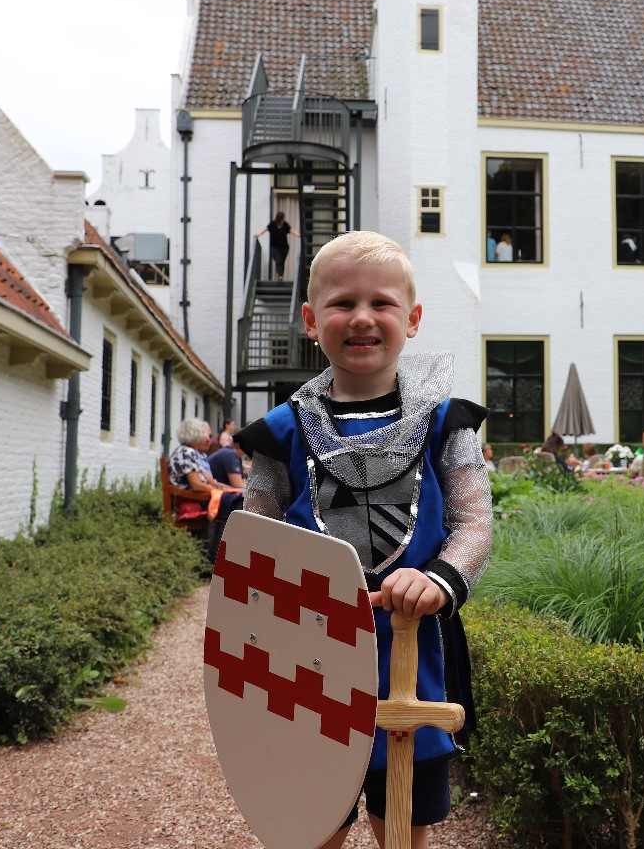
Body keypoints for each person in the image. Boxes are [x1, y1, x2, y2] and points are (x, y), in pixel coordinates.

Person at [234, 231, 492, 849]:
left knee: (403, 825)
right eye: (343, 302)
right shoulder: (280, 431)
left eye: (381, 303)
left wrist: (438, 580)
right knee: (312, 820)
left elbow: (474, 523)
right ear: (309, 319)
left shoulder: (446, 421)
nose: (361, 317)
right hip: (307, 652)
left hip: (413, 648)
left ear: (413, 318)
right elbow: (251, 545)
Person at [168, 417, 241, 522]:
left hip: (198, 498)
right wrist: (219, 492)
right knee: (238, 502)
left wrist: (226, 490)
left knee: (237, 498)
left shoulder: (185, 451)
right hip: (196, 500)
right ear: (196, 435)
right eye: (204, 434)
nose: (206, 438)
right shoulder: (187, 453)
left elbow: (208, 481)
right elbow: (196, 485)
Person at [253, 211, 295, 280]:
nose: (283, 220)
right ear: (279, 219)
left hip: (284, 248)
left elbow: (291, 230)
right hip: (274, 247)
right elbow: (265, 229)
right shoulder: (273, 224)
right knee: (278, 260)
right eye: (282, 219)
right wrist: (258, 234)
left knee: (282, 261)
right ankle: (280, 275)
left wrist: (298, 235)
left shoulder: (285, 224)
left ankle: (280, 275)